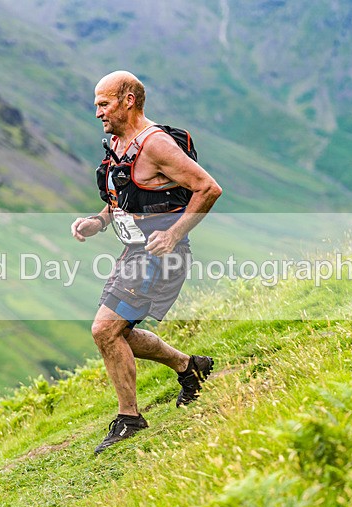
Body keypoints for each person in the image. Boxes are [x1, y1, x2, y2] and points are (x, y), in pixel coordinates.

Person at [70, 71, 222, 454]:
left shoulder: (156, 145)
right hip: (134, 253)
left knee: (105, 330)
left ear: (128, 100)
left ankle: (130, 419)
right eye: (96, 105)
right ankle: (190, 368)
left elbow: (208, 188)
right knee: (115, 332)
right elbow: (124, 198)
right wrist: (98, 222)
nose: (98, 113)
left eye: (103, 104)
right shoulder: (118, 144)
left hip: (160, 256)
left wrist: (173, 234)